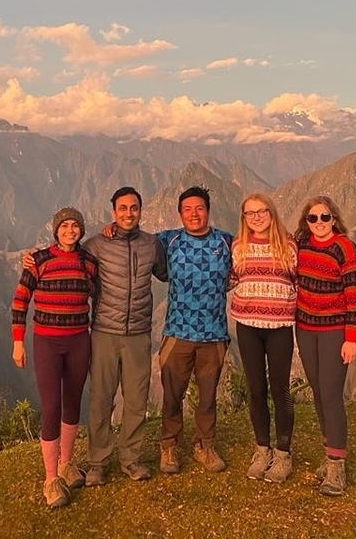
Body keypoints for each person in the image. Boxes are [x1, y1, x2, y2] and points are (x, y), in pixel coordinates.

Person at [11, 207, 99, 509]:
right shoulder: (38, 261)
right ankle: (50, 479)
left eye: (76, 226)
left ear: (81, 230)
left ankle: (66, 463)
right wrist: (18, 343)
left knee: (73, 402)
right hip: (47, 342)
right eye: (65, 226)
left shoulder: (88, 262)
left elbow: (96, 294)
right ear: (56, 230)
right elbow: (20, 300)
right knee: (51, 407)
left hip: (78, 340)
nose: (70, 231)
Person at [81, 187, 168, 486]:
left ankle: (131, 459)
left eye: (134, 208)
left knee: (135, 400)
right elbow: (69, 259)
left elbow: (166, 272)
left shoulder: (151, 245)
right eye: (123, 208)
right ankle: (97, 462)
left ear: (141, 211)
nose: (128, 213)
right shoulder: (96, 245)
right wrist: (35, 261)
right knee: (101, 399)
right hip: (104, 331)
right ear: (113, 212)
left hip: (139, 333)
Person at [293, 195, 356, 497]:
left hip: (335, 330)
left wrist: (351, 338)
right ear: (306, 222)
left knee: (331, 393)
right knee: (319, 391)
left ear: (334, 219)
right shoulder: (302, 245)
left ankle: (337, 467)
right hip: (305, 328)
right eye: (313, 218)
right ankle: (330, 453)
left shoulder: (345, 249)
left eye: (325, 218)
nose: (319, 223)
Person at [156, 186, 233, 474]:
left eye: (199, 208)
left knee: (208, 395)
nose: (194, 214)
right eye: (187, 209)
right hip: (178, 333)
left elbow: (255, 256)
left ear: (208, 211)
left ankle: (206, 445)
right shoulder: (167, 240)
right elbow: (134, 242)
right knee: (172, 395)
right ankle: (169, 446)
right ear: (179, 214)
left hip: (213, 335)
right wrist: (112, 228)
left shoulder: (226, 242)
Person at [229, 192, 297, 483]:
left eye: (261, 211)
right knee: (256, 388)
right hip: (248, 325)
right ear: (244, 218)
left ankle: (283, 454)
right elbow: (232, 279)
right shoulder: (238, 246)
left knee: (280, 389)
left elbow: (299, 281)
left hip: (280, 325)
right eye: (250, 213)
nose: (256, 217)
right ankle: (262, 449)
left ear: (272, 212)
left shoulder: (288, 245)